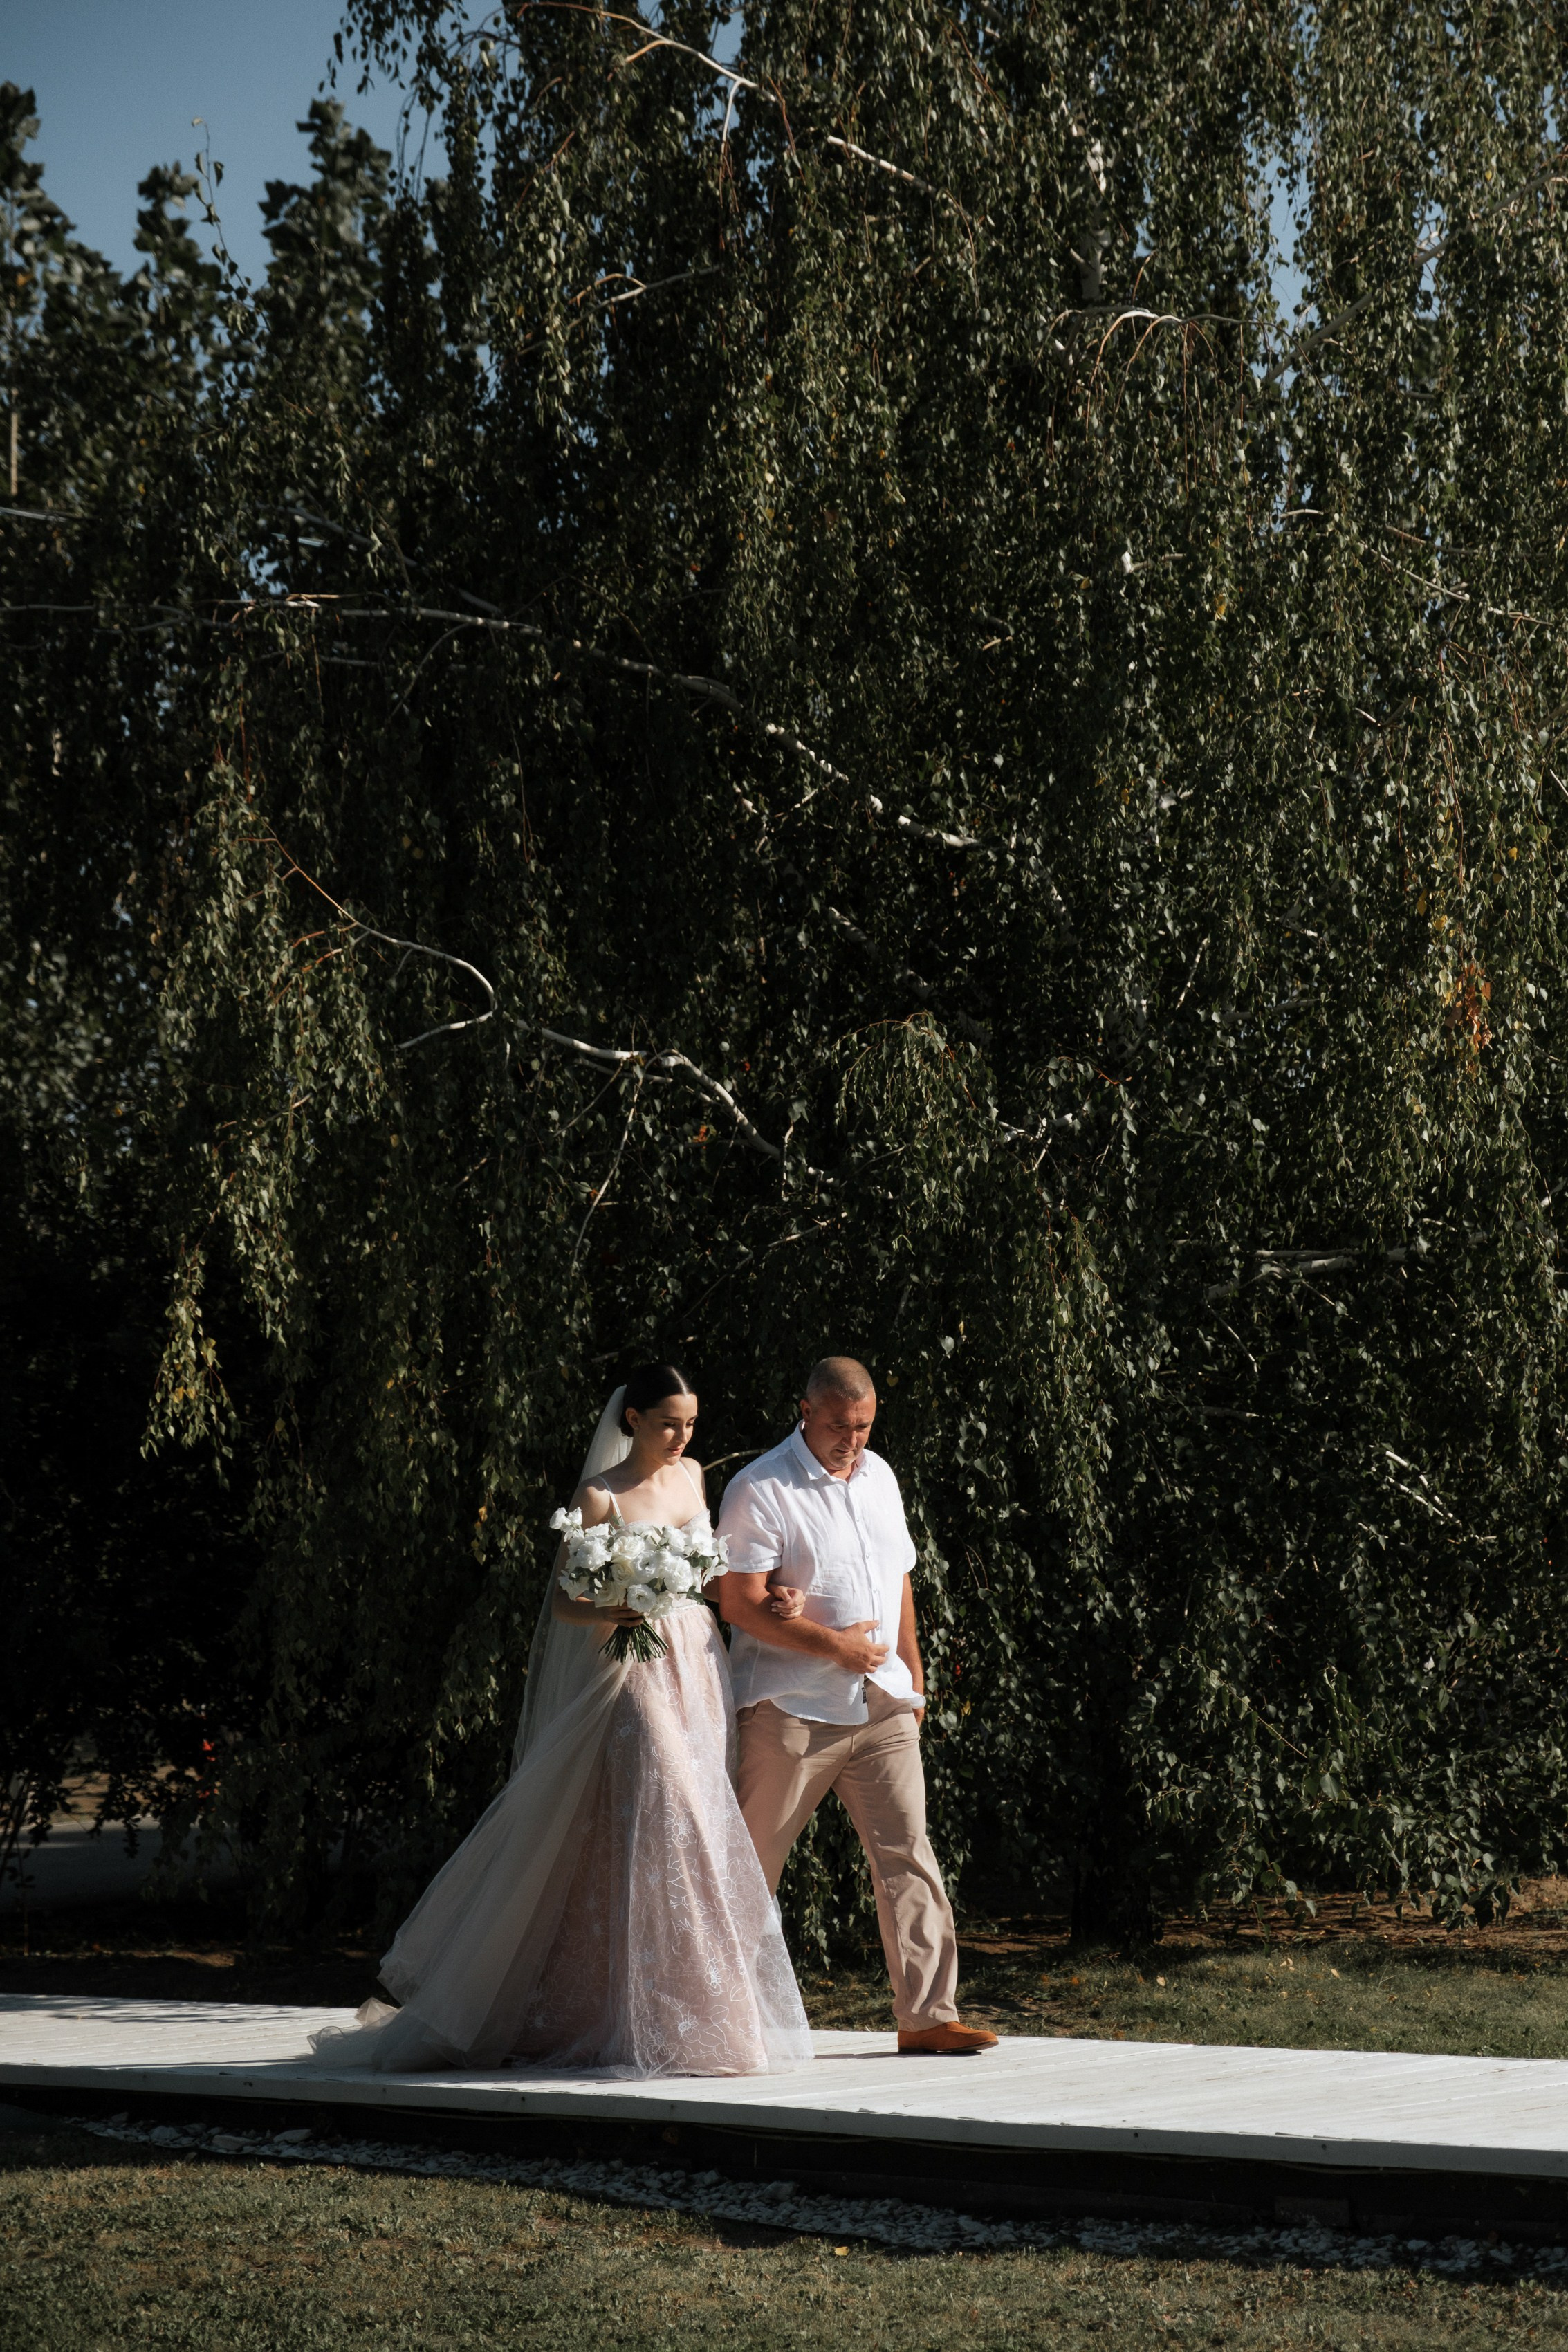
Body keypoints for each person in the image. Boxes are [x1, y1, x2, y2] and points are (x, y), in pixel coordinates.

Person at [313, 1364, 813, 2078]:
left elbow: (705, 1577)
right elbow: (565, 1605)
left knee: (681, 1813)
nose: (681, 1436)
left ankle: (673, 2012)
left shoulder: (693, 1476)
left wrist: (770, 1597)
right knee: (670, 1809)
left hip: (693, 1663)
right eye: (668, 1422)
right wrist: (620, 1604)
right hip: (631, 1668)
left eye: (690, 1423)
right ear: (632, 1418)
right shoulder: (599, 1495)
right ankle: (666, 2017)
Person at [718, 1357, 998, 2056]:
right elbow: (738, 1601)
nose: (852, 1438)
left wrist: (915, 1676)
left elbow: (898, 1579)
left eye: (864, 1424)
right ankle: (721, 2019)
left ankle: (927, 2016)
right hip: (790, 1708)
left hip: (881, 1707)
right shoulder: (760, 1487)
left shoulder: (879, 1476)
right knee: (750, 1865)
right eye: (839, 1424)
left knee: (908, 1854)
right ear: (804, 1411)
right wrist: (830, 1647)